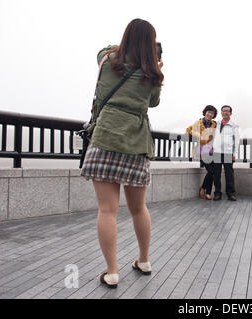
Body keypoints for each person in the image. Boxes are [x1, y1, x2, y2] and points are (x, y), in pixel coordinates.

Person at [80, 19, 164, 288]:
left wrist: (128, 47)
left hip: (105, 138)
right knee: (138, 208)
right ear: (151, 45)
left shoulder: (107, 60)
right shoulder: (152, 74)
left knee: (107, 210)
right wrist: (153, 64)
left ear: (125, 37)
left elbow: (102, 51)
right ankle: (144, 259)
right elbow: (152, 102)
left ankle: (112, 271)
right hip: (136, 143)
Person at [186, 105, 218, 200]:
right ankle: (203, 189)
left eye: (212, 113)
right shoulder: (199, 122)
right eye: (209, 112)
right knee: (211, 171)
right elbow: (188, 129)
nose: (210, 114)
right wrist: (198, 135)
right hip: (201, 150)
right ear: (205, 112)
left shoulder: (214, 124)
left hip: (211, 150)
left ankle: (207, 192)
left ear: (214, 115)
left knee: (213, 171)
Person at [212, 105, 240, 201]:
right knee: (216, 174)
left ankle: (231, 194)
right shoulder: (217, 124)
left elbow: (236, 140)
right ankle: (217, 193)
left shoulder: (234, 125)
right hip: (217, 152)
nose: (225, 113)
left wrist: (234, 153)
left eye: (228, 111)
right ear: (221, 113)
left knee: (229, 174)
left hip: (228, 152)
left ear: (231, 113)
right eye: (224, 111)